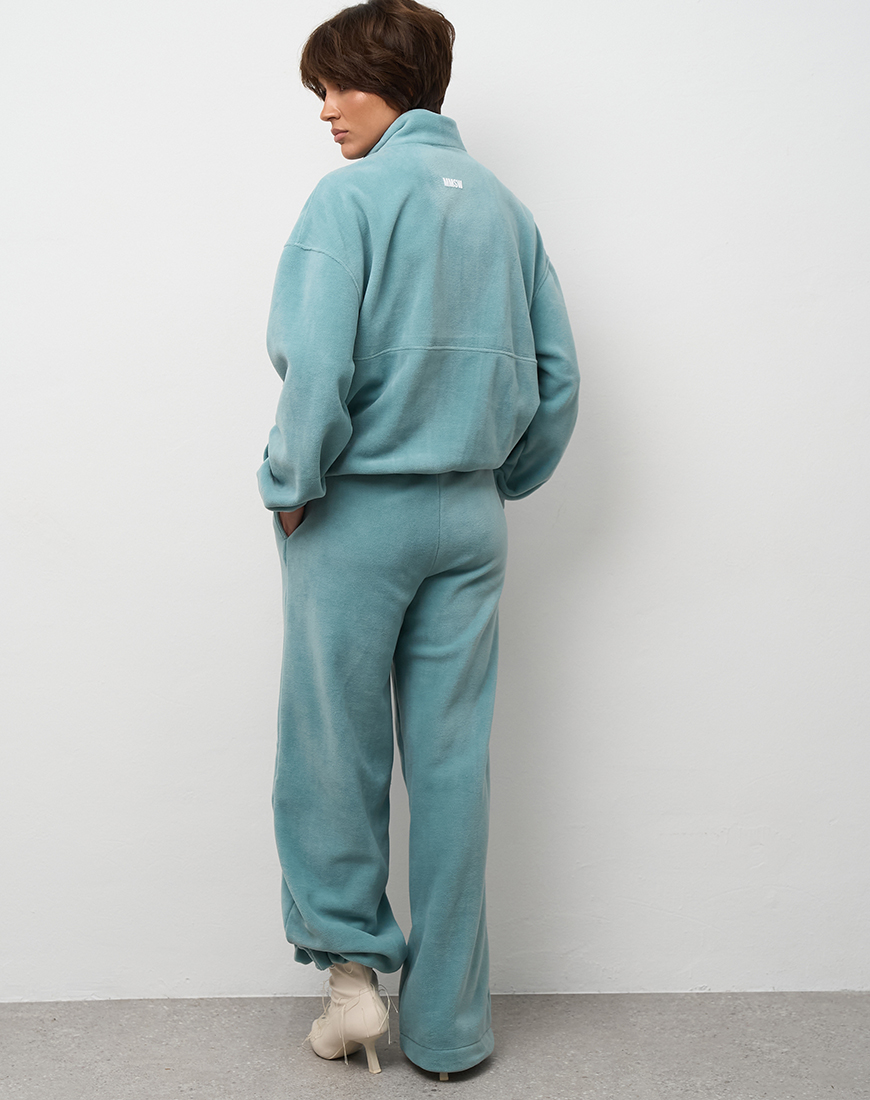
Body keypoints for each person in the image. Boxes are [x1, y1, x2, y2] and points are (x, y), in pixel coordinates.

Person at [257, 0, 580, 1079]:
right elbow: (559, 380)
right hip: (471, 520)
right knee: (451, 766)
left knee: (331, 748)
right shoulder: (506, 210)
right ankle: (449, 1030)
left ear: (390, 82)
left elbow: (316, 362)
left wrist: (291, 484)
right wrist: (497, 479)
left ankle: (352, 981)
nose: (326, 110)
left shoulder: (348, 201)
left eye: (337, 86)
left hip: (358, 512)